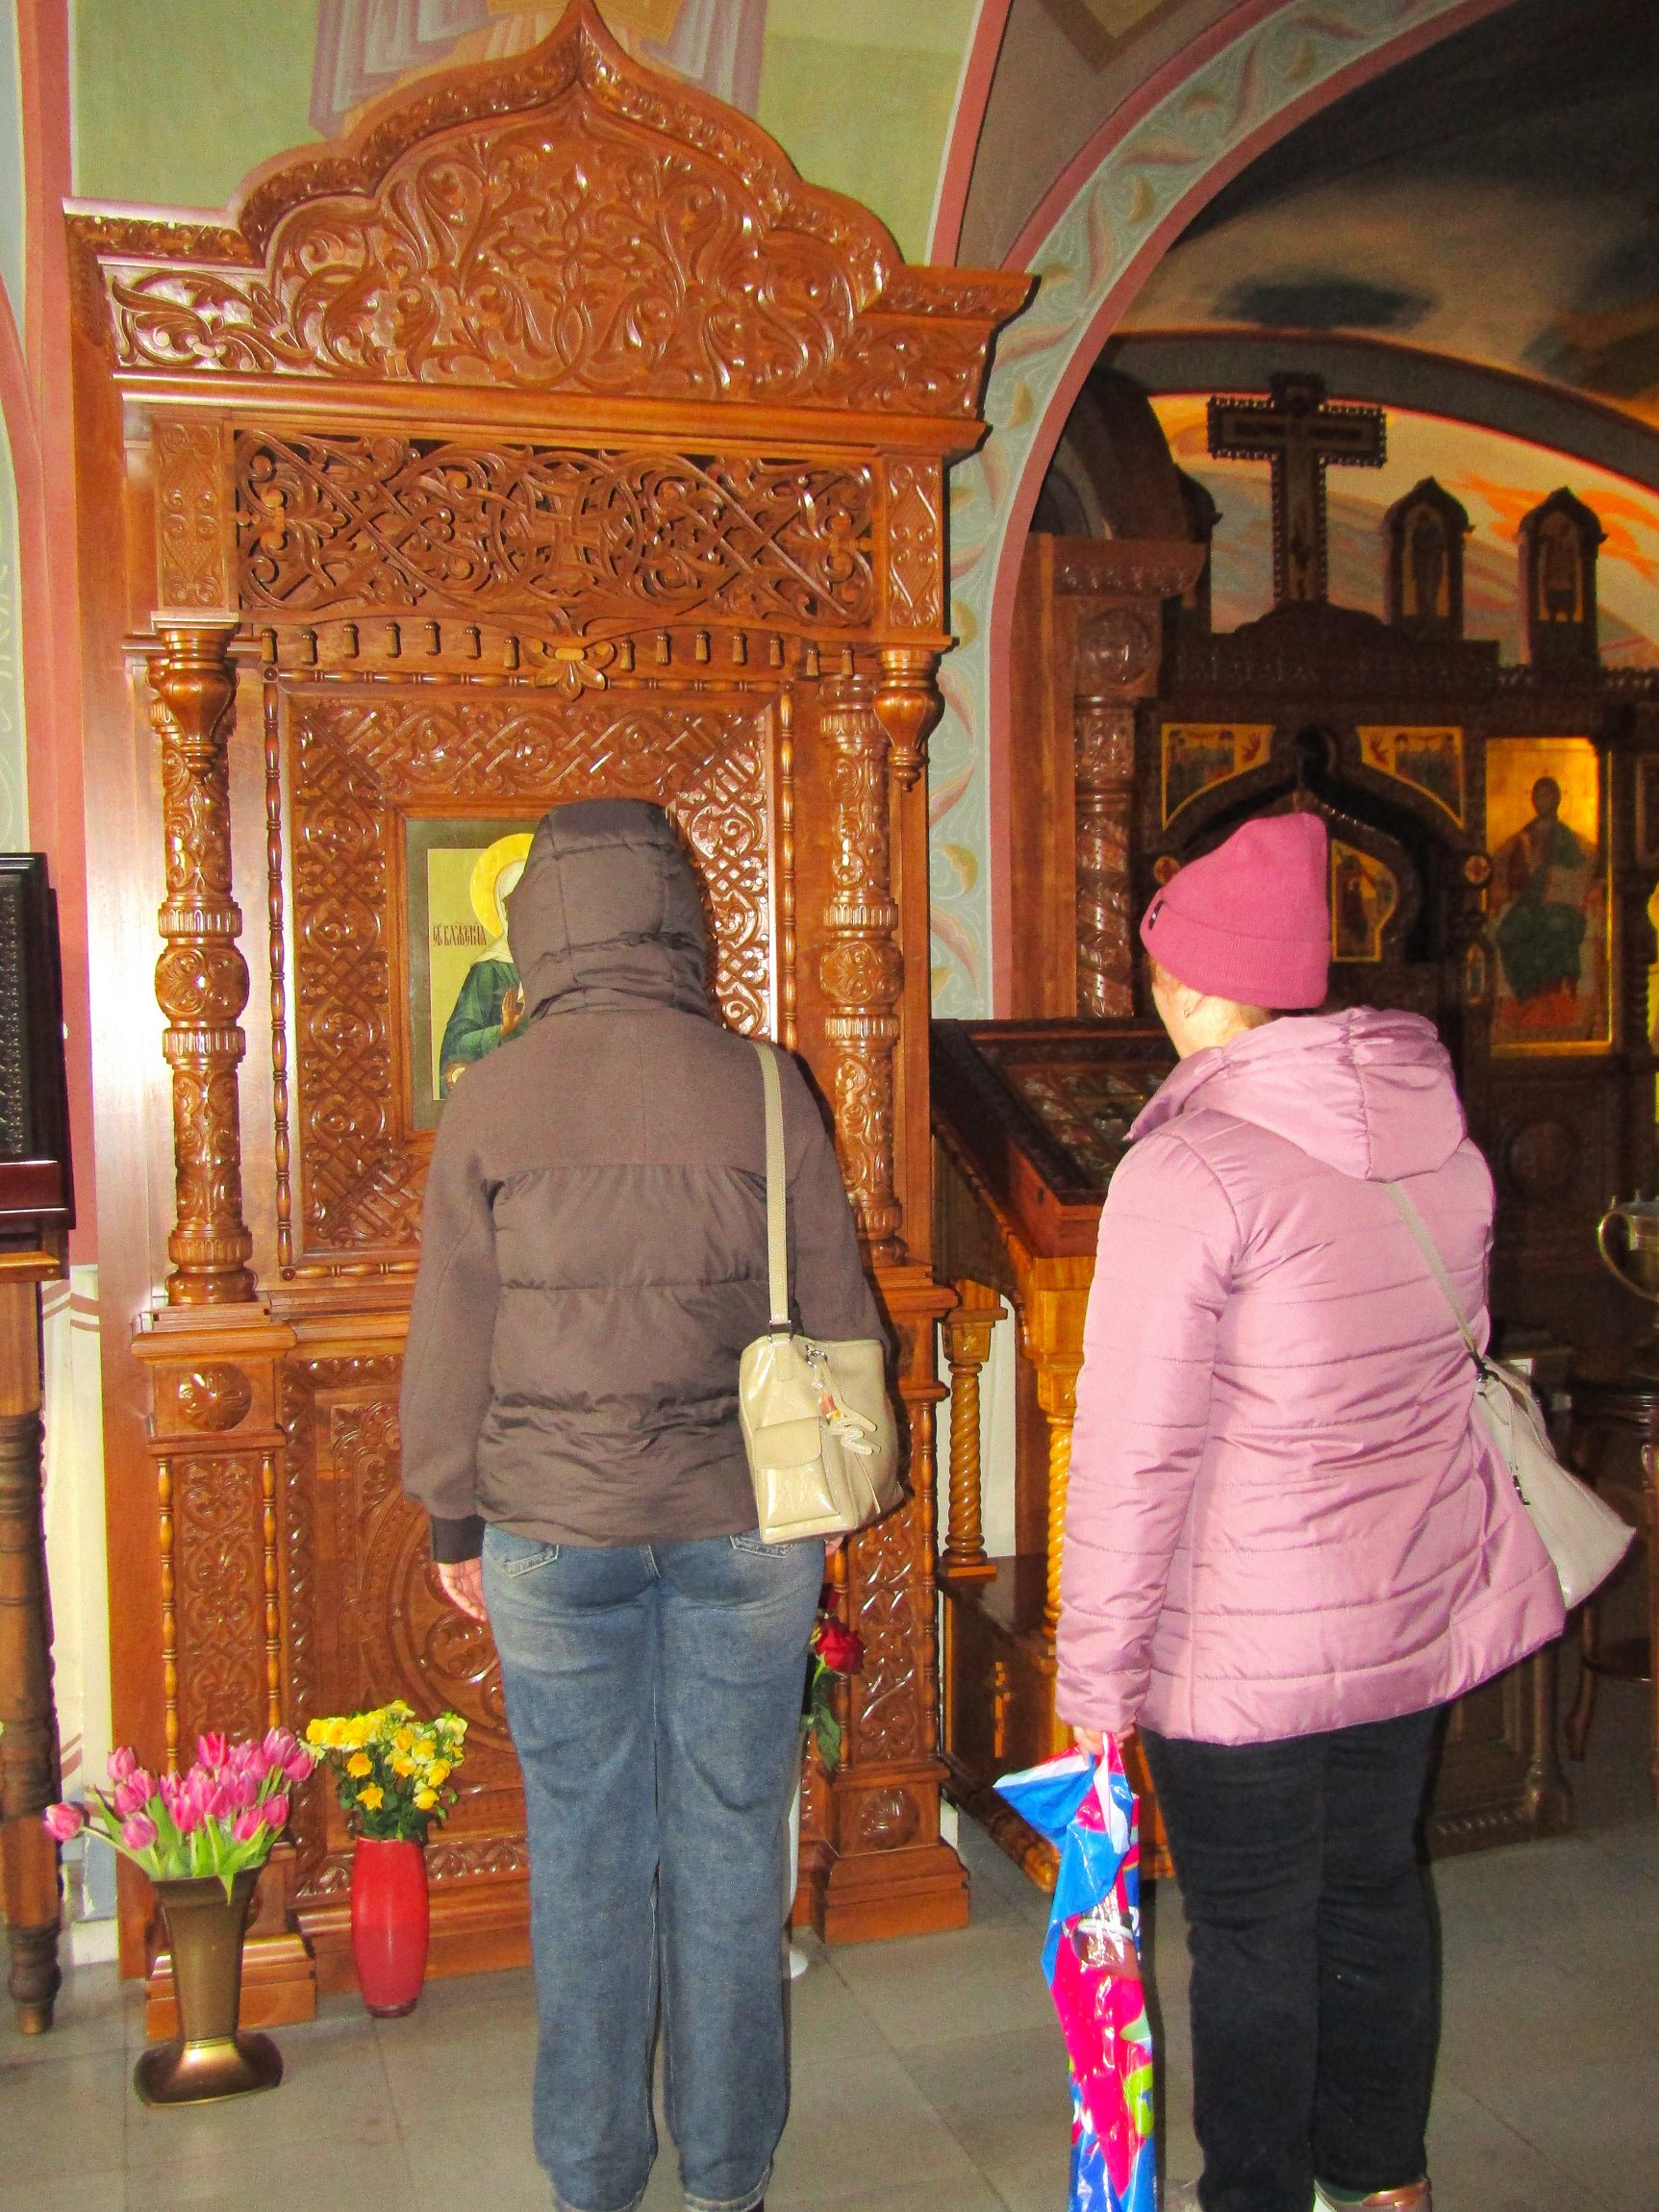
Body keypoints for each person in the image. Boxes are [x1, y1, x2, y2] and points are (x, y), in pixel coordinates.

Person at [1056, 811, 1565, 2212]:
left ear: (1186, 983)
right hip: (1402, 1605)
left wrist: (1093, 1682)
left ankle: (1259, 2194)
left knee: (1249, 1933)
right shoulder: (1437, 1138)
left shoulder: (1187, 1170)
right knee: (1372, 1891)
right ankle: (1383, 2180)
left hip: (1243, 1642)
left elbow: (1132, 1453)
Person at [400, 797, 881, 2212]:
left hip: (551, 1532)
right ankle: (728, 2174)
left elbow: (452, 1331)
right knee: (733, 1838)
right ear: (680, 913)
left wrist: (451, 1517)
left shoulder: (492, 1093)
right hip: (747, 1523)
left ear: (536, 923)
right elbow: (838, 1306)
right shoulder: (763, 1084)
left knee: (583, 1849)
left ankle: (594, 2172)